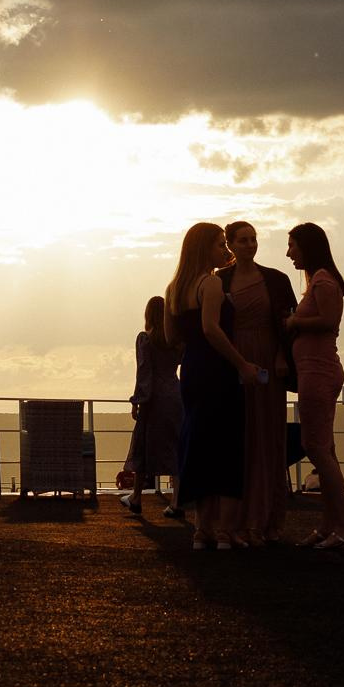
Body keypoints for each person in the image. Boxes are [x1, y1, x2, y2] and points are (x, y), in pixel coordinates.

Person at [167, 221, 250, 552]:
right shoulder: (211, 283)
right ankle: (225, 532)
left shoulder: (174, 288)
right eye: (220, 244)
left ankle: (202, 530)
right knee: (227, 446)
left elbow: (172, 337)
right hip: (217, 370)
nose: (225, 250)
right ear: (205, 249)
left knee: (200, 444)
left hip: (192, 370)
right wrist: (242, 363)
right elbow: (211, 329)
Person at [221, 221, 297, 545]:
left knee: (268, 437)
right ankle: (235, 521)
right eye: (243, 240)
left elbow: (287, 323)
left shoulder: (276, 279)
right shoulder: (219, 280)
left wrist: (281, 355)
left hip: (267, 359)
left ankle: (265, 520)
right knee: (239, 437)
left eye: (253, 239)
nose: (250, 245)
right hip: (233, 358)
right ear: (230, 245)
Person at [284, 222, 344, 549]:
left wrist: (293, 321)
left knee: (315, 447)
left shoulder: (324, 281)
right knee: (325, 449)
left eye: (293, 246)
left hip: (318, 371)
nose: (289, 253)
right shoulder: (318, 280)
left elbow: (329, 321)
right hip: (313, 370)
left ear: (307, 247)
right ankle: (330, 524)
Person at [120, 295, 183, 518]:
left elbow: (144, 373)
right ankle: (177, 501)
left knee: (143, 447)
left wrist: (137, 401)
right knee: (175, 447)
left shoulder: (145, 339)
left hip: (154, 399)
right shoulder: (175, 340)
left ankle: (136, 497)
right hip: (175, 396)